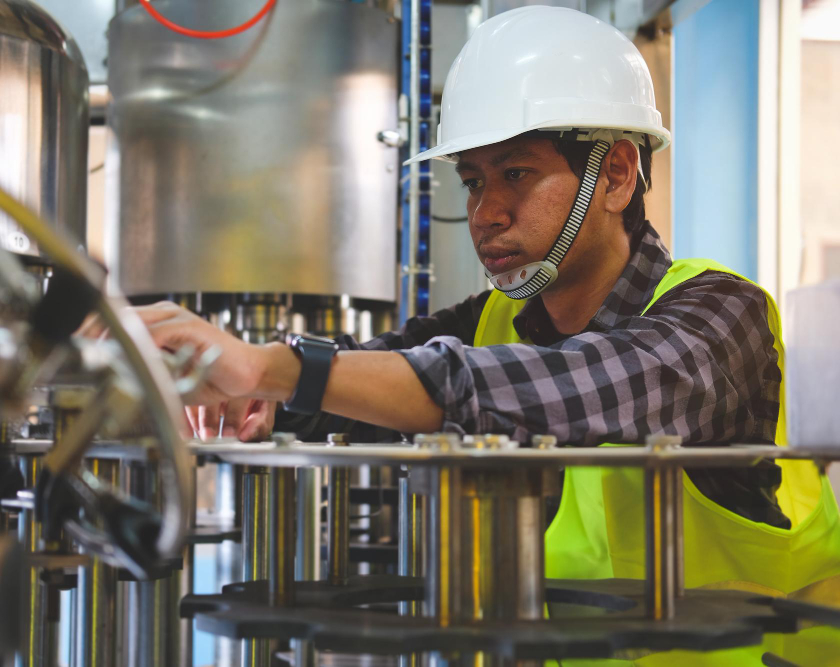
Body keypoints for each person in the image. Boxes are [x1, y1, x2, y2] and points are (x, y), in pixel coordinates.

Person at [120, 6, 840, 663]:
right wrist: (260, 396)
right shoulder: (492, 321)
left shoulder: (721, 314)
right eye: (472, 181)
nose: (485, 213)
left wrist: (277, 369)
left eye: (516, 173)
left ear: (617, 174)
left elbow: (575, 384)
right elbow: (368, 375)